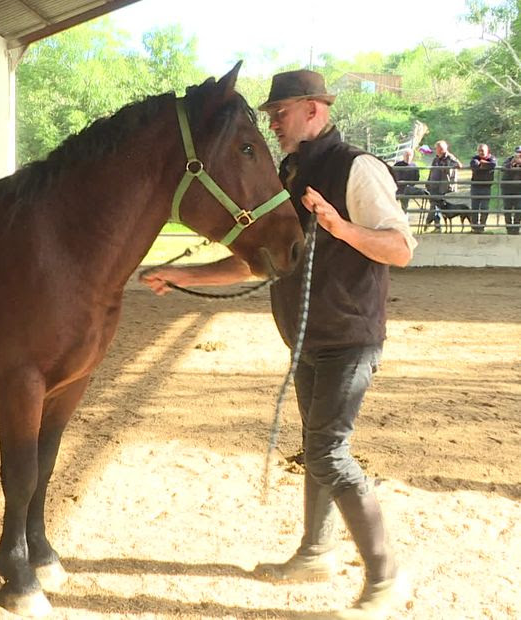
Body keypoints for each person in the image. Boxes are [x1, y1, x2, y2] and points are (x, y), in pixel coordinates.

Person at [140, 69, 415, 619]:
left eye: (280, 112)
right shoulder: (288, 173)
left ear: (314, 109)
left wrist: (341, 228)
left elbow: (399, 248)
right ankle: (316, 552)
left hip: (348, 336)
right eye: (269, 115)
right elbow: (260, 258)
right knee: (318, 446)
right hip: (308, 338)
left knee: (327, 453)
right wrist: (184, 277)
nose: (273, 123)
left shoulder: (357, 168)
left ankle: (387, 578)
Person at [425, 141, 462, 232]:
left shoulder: (449, 158)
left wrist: (446, 167)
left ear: (442, 149)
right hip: (434, 186)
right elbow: (432, 172)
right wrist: (428, 182)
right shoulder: (436, 159)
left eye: (437, 148)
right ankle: (435, 226)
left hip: (444, 187)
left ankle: (430, 224)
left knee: (436, 206)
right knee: (434, 206)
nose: (436, 150)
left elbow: (459, 165)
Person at [469, 144, 498, 233]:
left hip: (486, 187)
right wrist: (484, 165)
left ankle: (481, 227)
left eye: (483, 150)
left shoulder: (492, 158)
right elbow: (474, 165)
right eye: (479, 150)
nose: (481, 152)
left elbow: (493, 165)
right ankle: (474, 227)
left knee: (485, 208)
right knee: (474, 208)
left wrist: (482, 164)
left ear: (487, 151)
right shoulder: (475, 158)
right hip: (475, 187)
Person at [502, 146, 521, 235]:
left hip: (519, 190)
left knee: (519, 210)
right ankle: (509, 229)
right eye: (517, 152)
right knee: (507, 210)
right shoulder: (509, 159)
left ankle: (516, 229)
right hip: (507, 189)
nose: (519, 154)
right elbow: (503, 168)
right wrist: (511, 164)